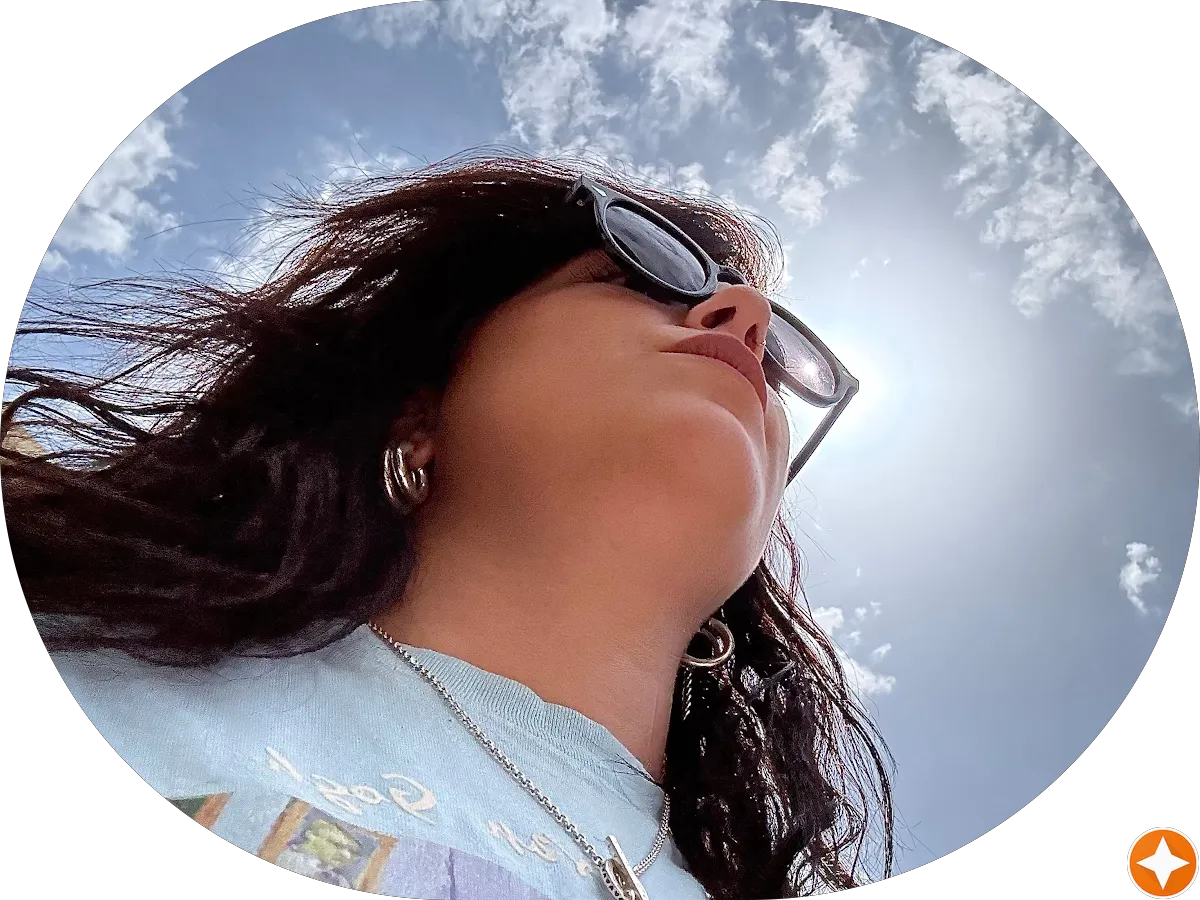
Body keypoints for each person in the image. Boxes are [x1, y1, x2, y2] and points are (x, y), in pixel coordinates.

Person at [4, 151, 894, 900]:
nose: (745, 321)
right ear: (417, 418)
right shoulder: (85, 645)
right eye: (634, 278)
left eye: (776, 361)